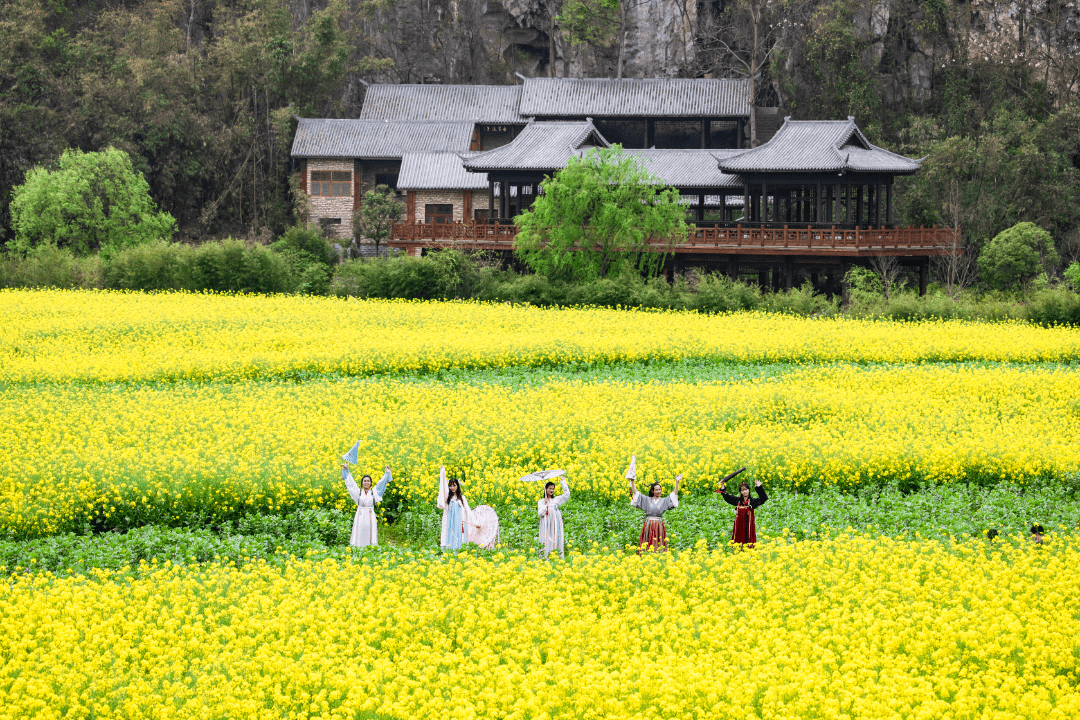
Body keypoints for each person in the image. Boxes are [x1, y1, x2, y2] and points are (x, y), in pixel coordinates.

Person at [626, 455, 681, 551]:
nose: (659, 492)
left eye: (660, 490)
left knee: (658, 543)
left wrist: (677, 483)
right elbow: (636, 493)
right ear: (652, 491)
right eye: (657, 490)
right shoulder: (647, 500)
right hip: (649, 524)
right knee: (647, 541)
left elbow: (674, 494)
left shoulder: (664, 501)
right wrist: (633, 482)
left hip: (658, 524)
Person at [342, 465, 391, 547]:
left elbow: (381, 483)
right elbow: (351, 484)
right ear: (362, 483)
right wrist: (346, 469)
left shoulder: (374, 492)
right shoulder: (358, 492)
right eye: (364, 481)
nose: (366, 483)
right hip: (360, 515)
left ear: (370, 483)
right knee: (360, 531)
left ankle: (370, 548)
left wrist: (387, 473)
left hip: (370, 515)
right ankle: (358, 548)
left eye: (368, 481)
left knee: (370, 531)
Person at [437, 465, 479, 551]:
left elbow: (468, 510)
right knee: (447, 537)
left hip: (459, 523)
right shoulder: (447, 498)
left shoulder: (462, 498)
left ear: (458, 486)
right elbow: (443, 487)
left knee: (459, 538)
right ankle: (447, 553)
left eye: (454, 485)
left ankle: (458, 553)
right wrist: (442, 473)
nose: (452, 488)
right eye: (450, 486)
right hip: (449, 523)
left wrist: (475, 522)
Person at [717, 477, 767, 547]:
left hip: (749, 525)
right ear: (740, 492)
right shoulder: (738, 501)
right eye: (742, 490)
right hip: (739, 526)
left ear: (749, 490)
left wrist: (759, 487)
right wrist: (722, 487)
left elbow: (764, 498)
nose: (745, 492)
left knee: (749, 540)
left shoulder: (753, 502)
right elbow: (727, 497)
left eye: (746, 490)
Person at [537, 478, 571, 558]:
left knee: (555, 537)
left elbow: (567, 495)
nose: (552, 490)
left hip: (556, 523)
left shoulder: (556, 500)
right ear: (545, 489)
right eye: (550, 488)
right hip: (546, 524)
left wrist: (563, 483)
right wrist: (545, 505)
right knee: (546, 538)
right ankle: (546, 557)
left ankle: (556, 555)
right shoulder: (541, 501)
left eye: (553, 489)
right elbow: (540, 513)